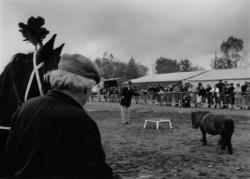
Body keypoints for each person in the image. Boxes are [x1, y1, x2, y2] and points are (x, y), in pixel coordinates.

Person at [6, 54, 114, 179]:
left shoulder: (24, 108)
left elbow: (10, 156)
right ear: (85, 87)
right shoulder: (79, 120)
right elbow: (93, 172)